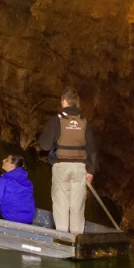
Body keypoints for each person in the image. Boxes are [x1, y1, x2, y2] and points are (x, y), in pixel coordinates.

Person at [38, 88, 97, 234]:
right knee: (77, 206)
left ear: (63, 102)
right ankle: (77, 239)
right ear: (77, 104)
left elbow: (44, 145)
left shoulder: (57, 120)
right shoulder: (84, 121)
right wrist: (91, 171)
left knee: (61, 204)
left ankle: (63, 239)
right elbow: (92, 149)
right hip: (80, 168)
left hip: (61, 166)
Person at [0, 154, 36, 224]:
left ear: (12, 166)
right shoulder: (28, 182)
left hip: (10, 218)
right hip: (28, 219)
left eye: (7, 160)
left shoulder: (4, 179)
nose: (3, 160)